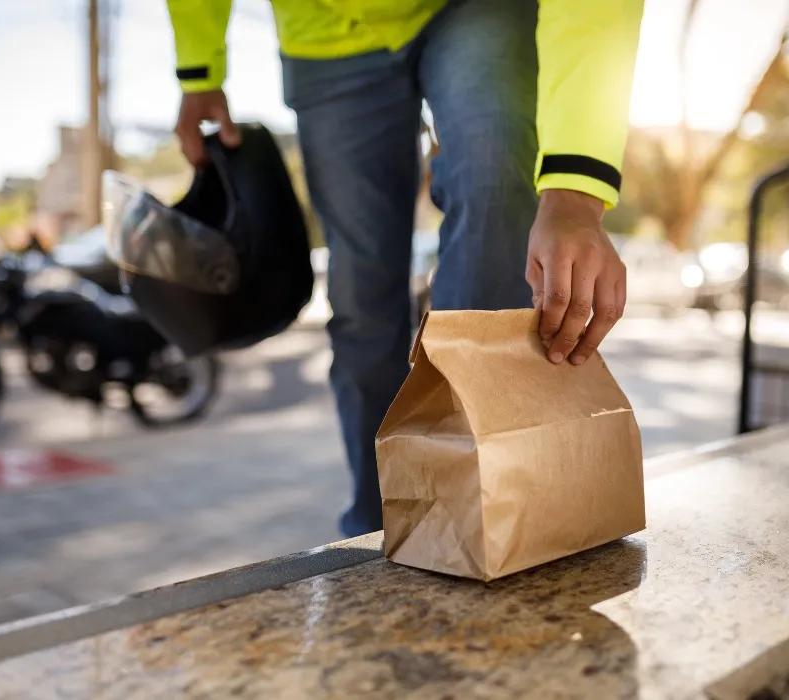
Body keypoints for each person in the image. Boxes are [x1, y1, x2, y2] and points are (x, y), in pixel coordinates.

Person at [166, 0, 644, 537]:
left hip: (474, 9)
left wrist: (575, 194)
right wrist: (199, 68)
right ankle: (383, 530)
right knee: (362, 301)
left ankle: (481, 516)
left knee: (495, 198)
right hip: (327, 31)